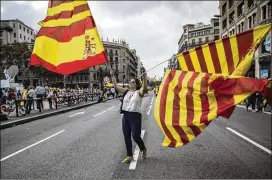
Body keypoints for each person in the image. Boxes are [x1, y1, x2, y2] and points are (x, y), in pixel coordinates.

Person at [110, 69, 147, 164]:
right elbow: (116, 86)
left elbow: (144, 87)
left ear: (137, 84)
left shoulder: (139, 92)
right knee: (126, 136)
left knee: (135, 136)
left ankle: (143, 149)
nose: (131, 83)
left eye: (133, 82)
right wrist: (112, 76)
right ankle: (129, 156)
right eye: (130, 82)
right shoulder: (126, 91)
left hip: (135, 117)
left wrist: (145, 78)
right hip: (126, 116)